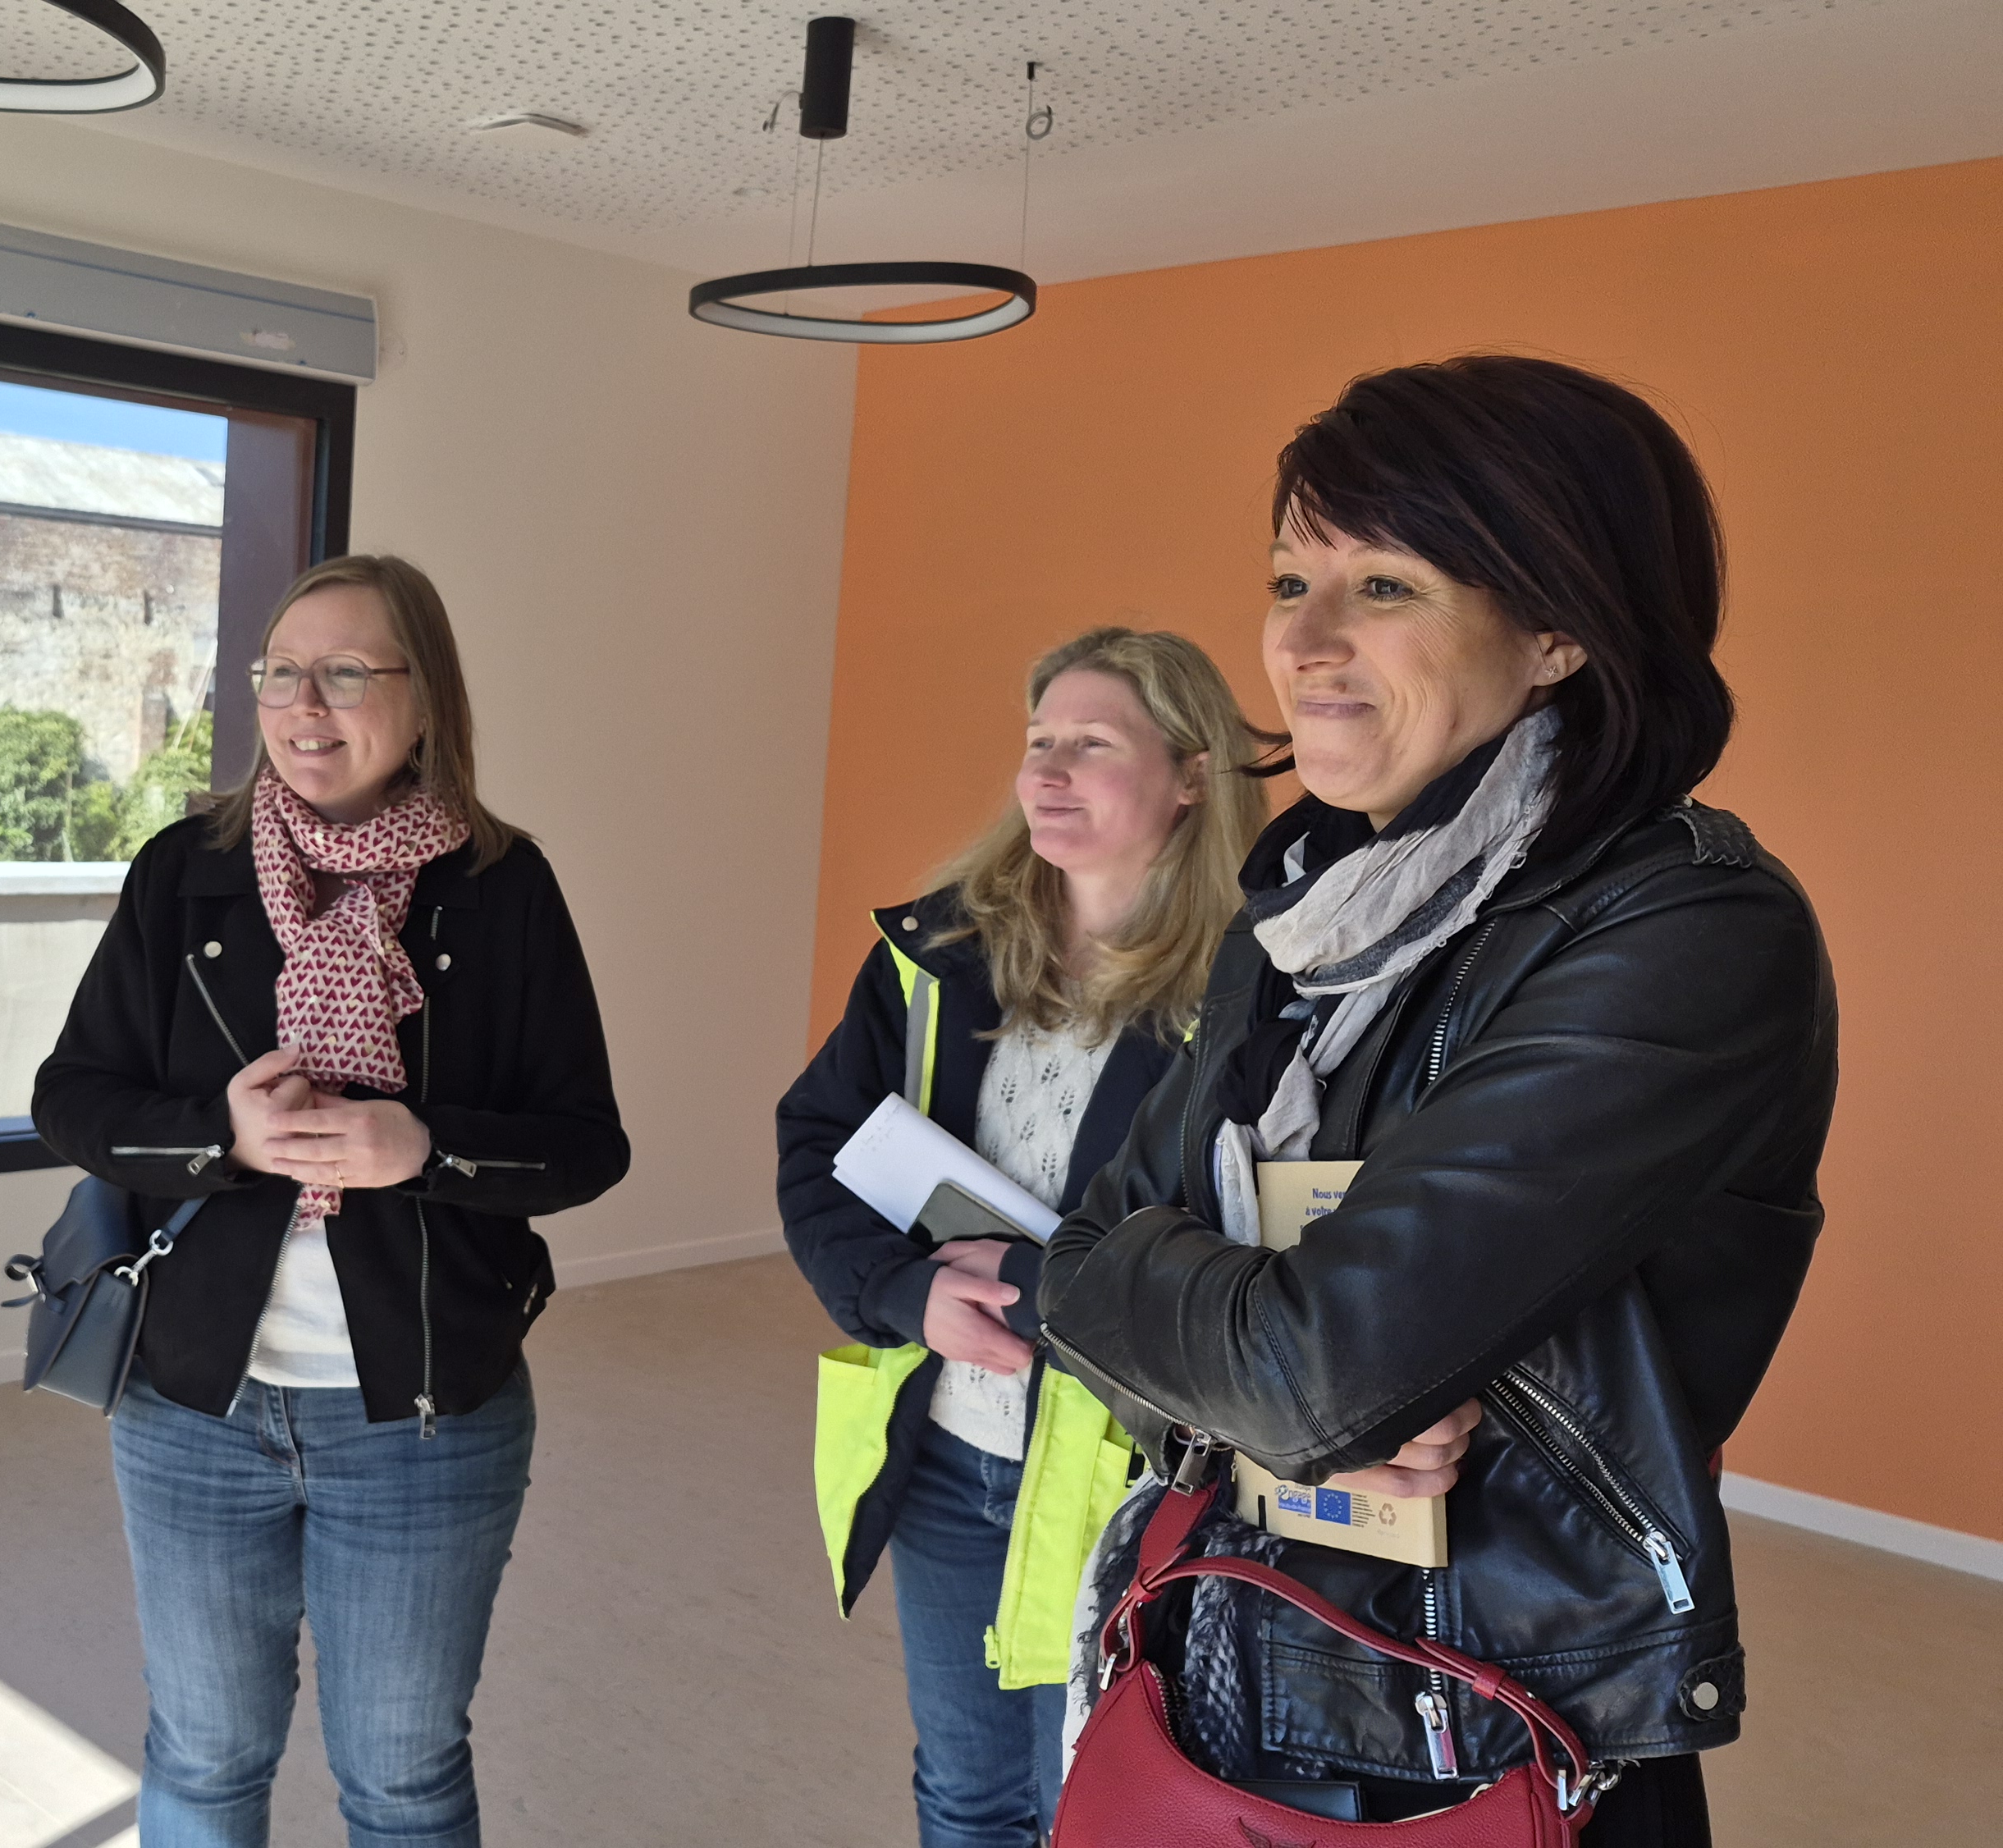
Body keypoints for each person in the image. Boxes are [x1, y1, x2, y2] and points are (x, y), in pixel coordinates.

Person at [1037, 356, 1837, 1847]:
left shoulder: (1686, 931)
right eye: (1291, 577)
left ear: (1558, 630)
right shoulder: (1299, 909)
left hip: (1485, 1733)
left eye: (1388, 585)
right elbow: (1071, 1274)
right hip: (1224, 1648)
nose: (1303, 641)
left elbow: (1310, 1373)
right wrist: (1244, 1353)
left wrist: (1240, 1350)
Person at [33, 553, 629, 1848]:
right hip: (193, 1403)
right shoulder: (185, 871)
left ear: (424, 701)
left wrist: (427, 1149)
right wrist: (221, 1139)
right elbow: (71, 1098)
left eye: (348, 671)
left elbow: (587, 1146)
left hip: (421, 1416)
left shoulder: (502, 886)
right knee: (200, 1758)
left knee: (404, 1777)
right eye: (282, 673)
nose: (308, 704)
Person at [777, 627, 1271, 1847]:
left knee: (1098, 1806)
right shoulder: (938, 955)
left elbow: (1264, 1251)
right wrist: (900, 1293)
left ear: (1193, 775)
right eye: (1038, 741)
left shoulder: (1255, 991)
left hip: (1128, 1480)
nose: (1046, 772)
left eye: (1091, 745)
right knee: (967, 1793)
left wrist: (1050, 1299)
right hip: (948, 1451)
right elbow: (818, 1144)